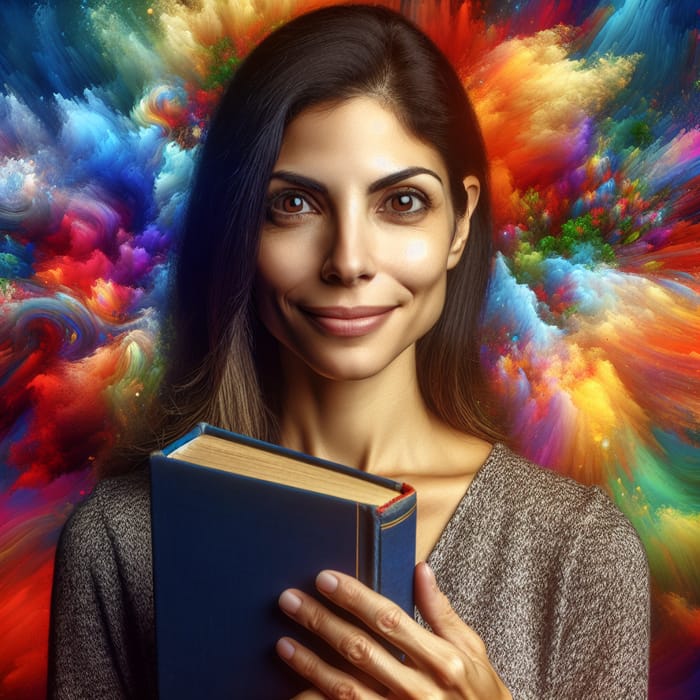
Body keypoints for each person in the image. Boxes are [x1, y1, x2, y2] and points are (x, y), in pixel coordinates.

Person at [48, 4, 650, 699]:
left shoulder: (577, 552)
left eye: (401, 202)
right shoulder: (121, 542)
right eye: (294, 205)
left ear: (459, 224)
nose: (348, 261)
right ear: (239, 222)